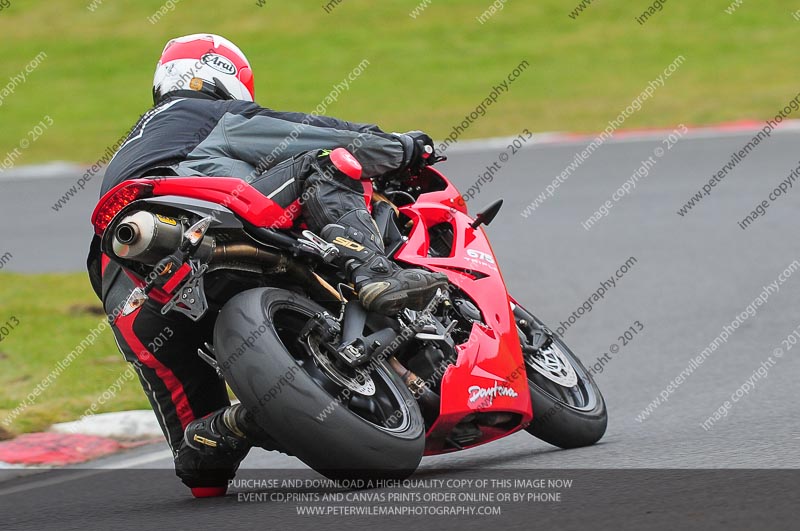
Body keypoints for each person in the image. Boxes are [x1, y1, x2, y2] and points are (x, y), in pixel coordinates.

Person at [87, 33, 447, 497]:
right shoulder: (203, 113)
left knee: (200, 467)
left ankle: (235, 423)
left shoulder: (131, 151)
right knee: (326, 163)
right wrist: (404, 148)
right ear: (226, 78)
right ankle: (373, 274)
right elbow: (331, 138)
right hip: (208, 221)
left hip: (126, 281)